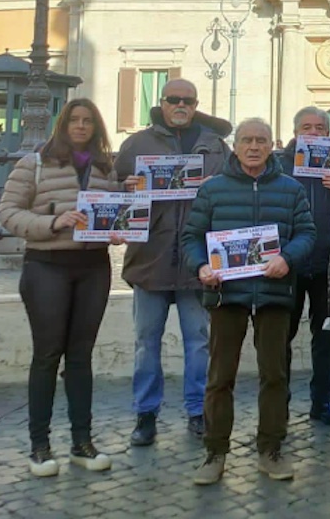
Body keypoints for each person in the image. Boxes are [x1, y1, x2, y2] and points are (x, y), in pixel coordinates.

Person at [182, 118, 317, 486]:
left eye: (261, 140)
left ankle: (271, 449)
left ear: (272, 144)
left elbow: (307, 233)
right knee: (219, 377)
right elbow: (191, 237)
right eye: (246, 140)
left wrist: (286, 258)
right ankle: (215, 451)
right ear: (236, 145)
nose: (254, 146)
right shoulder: (213, 190)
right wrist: (201, 265)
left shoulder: (290, 190)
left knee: (275, 375)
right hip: (227, 294)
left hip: (274, 294)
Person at [0, 98, 120, 477]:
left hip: (93, 267)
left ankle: (82, 442)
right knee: (48, 355)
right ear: (62, 125)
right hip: (46, 266)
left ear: (96, 128)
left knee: (81, 356)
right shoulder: (33, 164)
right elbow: (7, 214)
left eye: (88, 121)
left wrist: (119, 226)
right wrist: (53, 222)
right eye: (74, 120)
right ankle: (40, 446)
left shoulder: (106, 168)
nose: (81, 126)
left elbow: (113, 213)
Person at [114, 79, 231, 447]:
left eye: (188, 100)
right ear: (161, 103)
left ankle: (198, 412)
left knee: (198, 342)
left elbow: (234, 190)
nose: (181, 105)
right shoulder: (135, 144)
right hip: (150, 258)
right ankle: (145, 413)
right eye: (174, 100)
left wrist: (219, 185)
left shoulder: (215, 147)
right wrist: (125, 189)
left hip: (197, 260)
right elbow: (110, 192)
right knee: (146, 341)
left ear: (196, 105)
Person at [280, 107, 330, 427]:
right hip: (288, 265)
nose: (314, 132)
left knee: (324, 338)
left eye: (320, 127)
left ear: (328, 132)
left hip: (327, 264)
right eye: (307, 126)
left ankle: (322, 403)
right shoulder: (279, 163)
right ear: (296, 132)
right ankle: (278, 403)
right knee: (280, 337)